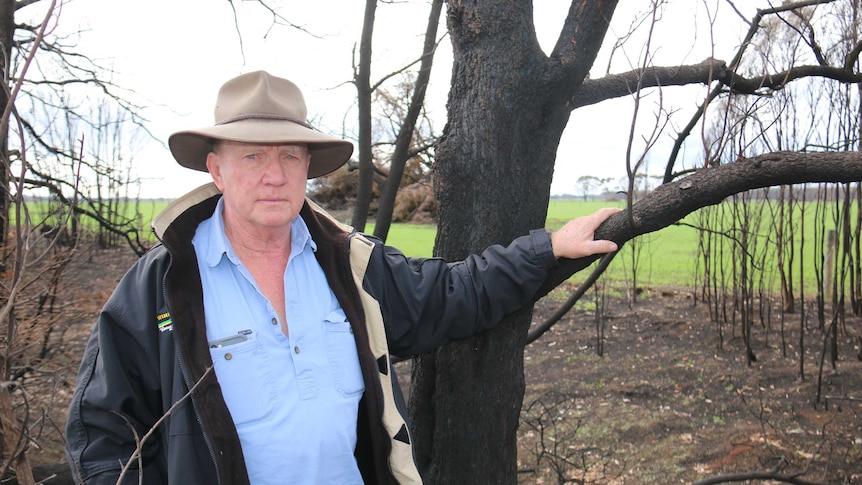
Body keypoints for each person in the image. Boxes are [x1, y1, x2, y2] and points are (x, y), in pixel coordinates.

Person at [64, 70, 620, 485]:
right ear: (216, 168)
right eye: (253, 157)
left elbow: (454, 294)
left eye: (290, 155)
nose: (275, 175)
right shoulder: (160, 288)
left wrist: (548, 249)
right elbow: (101, 432)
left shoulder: (350, 267)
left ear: (310, 167)